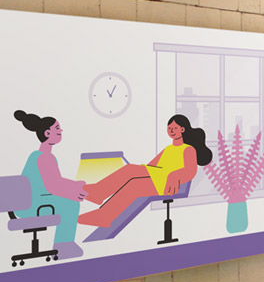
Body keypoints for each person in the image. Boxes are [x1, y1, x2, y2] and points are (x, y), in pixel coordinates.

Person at [78, 114, 212, 228]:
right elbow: (151, 166)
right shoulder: (168, 149)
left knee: (134, 185)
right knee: (130, 170)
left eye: (175, 128)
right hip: (158, 176)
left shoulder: (188, 149)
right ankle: (98, 192)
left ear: (182, 129)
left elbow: (190, 171)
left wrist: (175, 175)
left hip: (170, 183)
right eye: (169, 128)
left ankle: (104, 215)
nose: (171, 130)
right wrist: (139, 171)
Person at [14, 110, 87, 259]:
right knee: (70, 204)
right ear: (47, 133)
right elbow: (53, 186)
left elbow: (56, 181)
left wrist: (74, 186)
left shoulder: (38, 155)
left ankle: (64, 245)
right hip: (33, 206)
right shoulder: (44, 158)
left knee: (69, 200)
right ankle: (63, 246)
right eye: (57, 128)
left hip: (33, 202)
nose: (61, 131)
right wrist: (73, 193)